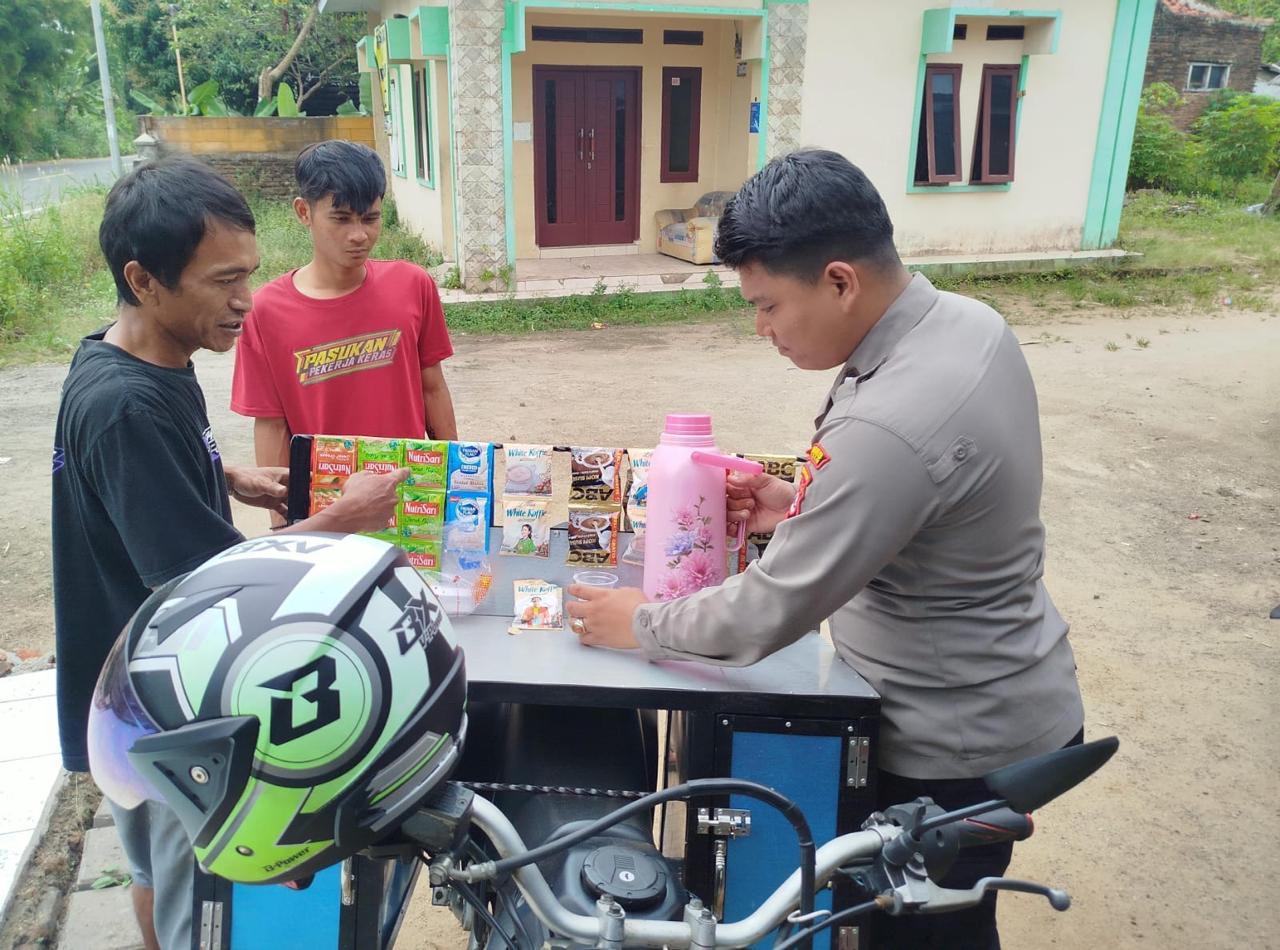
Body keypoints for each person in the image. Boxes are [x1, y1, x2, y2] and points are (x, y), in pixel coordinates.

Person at [566, 149, 1085, 949]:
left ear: (840, 281)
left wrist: (639, 623)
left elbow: (765, 613)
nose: (762, 328)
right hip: (1016, 681)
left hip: (953, 741)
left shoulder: (891, 421)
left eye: (768, 305)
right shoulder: (967, 324)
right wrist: (794, 507)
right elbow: (930, 505)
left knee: (918, 932)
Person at [52, 157, 408, 950]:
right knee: (191, 900)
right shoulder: (126, 407)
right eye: (223, 281)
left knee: (151, 870)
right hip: (165, 710)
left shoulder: (131, 358)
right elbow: (211, 590)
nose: (246, 299)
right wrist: (343, 518)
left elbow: (129, 488)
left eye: (248, 273)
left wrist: (225, 476)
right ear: (144, 280)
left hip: (128, 688)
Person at [230, 139, 457, 526]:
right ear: (304, 212)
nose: (359, 235)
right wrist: (283, 523)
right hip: (327, 507)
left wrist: (454, 484)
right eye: (341, 219)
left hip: (409, 495)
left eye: (370, 218)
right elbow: (271, 423)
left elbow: (432, 388)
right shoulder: (265, 310)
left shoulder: (412, 285)